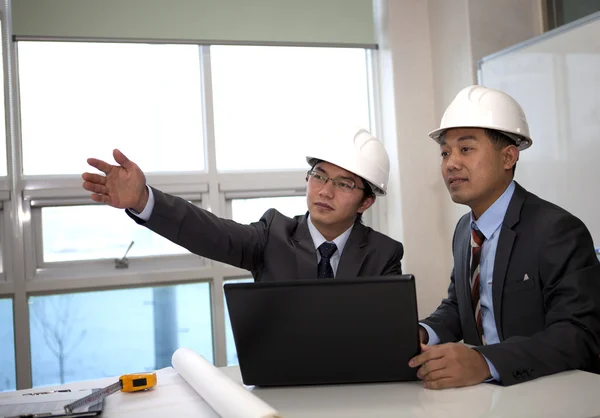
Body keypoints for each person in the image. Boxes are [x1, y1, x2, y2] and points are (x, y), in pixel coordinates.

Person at [409, 85, 600, 388]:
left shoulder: (557, 230)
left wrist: (487, 362)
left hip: (546, 394)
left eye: (466, 149)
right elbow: (461, 307)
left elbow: (578, 334)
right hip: (483, 399)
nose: (451, 163)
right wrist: (419, 333)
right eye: (445, 152)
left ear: (508, 157)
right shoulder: (464, 230)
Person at [81, 128, 403, 281]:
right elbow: (206, 231)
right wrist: (143, 200)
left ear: (367, 201)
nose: (325, 191)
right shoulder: (272, 235)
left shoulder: (384, 255)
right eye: (319, 175)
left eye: (344, 183)